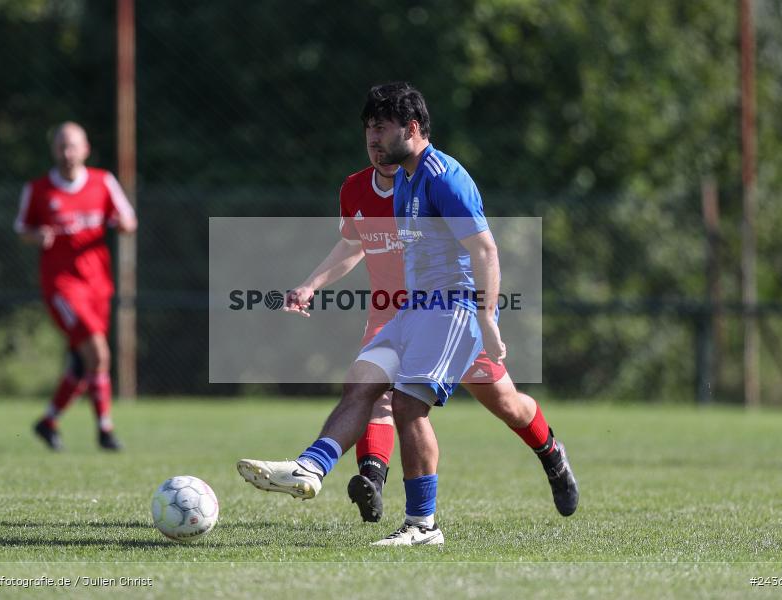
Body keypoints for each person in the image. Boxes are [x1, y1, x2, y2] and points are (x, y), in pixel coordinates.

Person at [238, 83, 575, 546]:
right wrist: (312, 284)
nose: (373, 139)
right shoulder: (403, 179)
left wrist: (486, 320)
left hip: (451, 311)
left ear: (412, 129)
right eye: (368, 131)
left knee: (473, 405)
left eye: (381, 129)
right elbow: (358, 244)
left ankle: (428, 524)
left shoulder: (444, 177)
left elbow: (486, 250)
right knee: (363, 383)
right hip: (412, 311)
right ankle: (310, 466)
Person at [15, 122, 137, 451]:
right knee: (98, 353)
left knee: (85, 363)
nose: (68, 153)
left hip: (98, 283)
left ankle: (48, 421)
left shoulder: (103, 182)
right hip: (62, 286)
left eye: (73, 146)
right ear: (54, 151)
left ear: (85, 149)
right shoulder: (39, 189)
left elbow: (128, 219)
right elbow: (22, 228)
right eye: (61, 147)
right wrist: (36, 236)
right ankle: (105, 432)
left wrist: (124, 225)